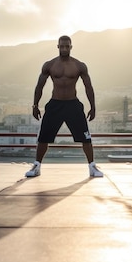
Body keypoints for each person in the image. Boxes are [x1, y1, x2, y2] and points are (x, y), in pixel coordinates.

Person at [25, 35, 104, 178]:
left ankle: (92, 167)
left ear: (71, 47)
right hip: (55, 104)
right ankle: (37, 166)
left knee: (85, 137)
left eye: (67, 46)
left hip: (73, 104)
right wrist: (35, 105)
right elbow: (39, 86)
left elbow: (89, 87)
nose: (64, 48)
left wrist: (93, 107)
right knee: (43, 137)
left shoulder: (79, 65)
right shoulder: (49, 65)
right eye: (62, 46)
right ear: (58, 47)